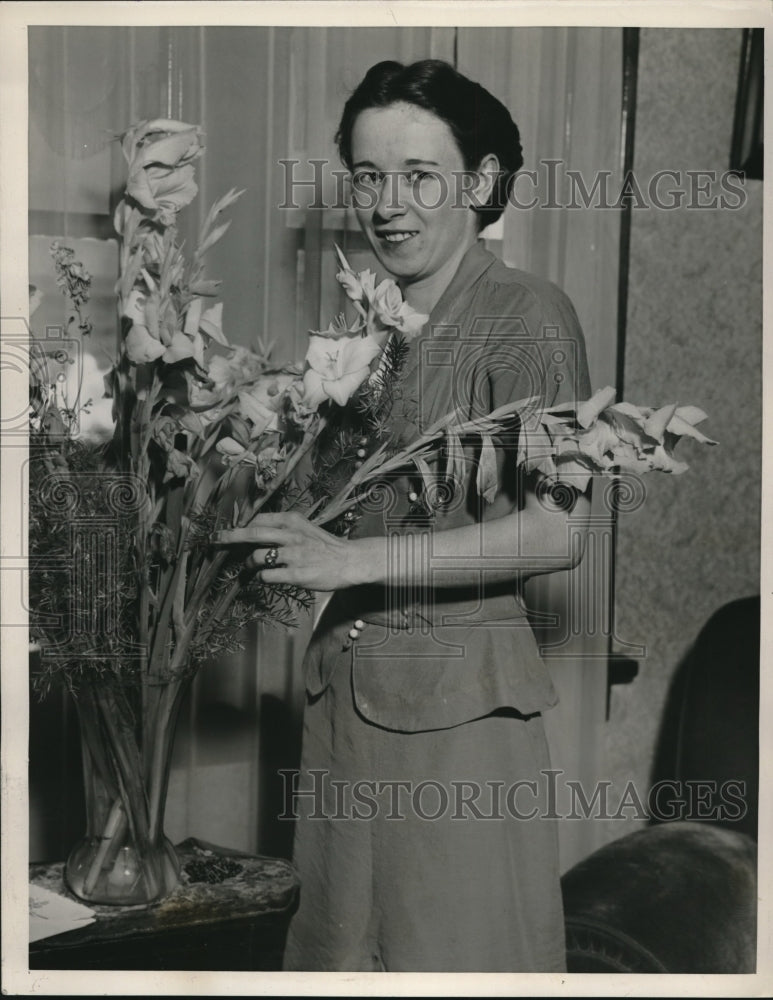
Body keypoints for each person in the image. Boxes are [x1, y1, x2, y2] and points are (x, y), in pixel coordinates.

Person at [217, 59, 592, 972]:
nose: (390, 204)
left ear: (479, 182)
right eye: (369, 177)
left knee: (455, 961)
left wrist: (350, 563)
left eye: (420, 175)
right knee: (342, 963)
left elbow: (556, 532)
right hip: (345, 710)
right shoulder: (364, 337)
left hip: (457, 724)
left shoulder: (526, 317)